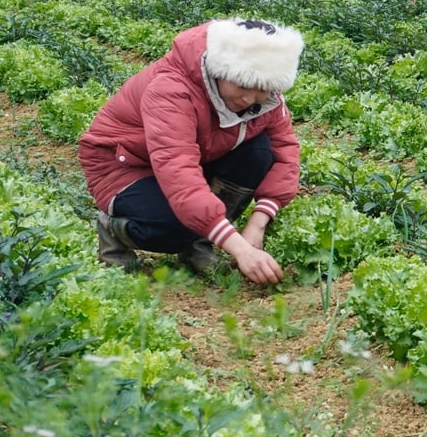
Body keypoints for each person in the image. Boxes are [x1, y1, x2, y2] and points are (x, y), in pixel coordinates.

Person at [79, 17, 303, 283]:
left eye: (261, 89)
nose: (248, 99)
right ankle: (113, 229)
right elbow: (178, 171)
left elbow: (285, 153)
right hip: (124, 165)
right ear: (220, 70)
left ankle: (199, 243)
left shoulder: (267, 101)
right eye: (242, 85)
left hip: (196, 153)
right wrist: (240, 249)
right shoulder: (171, 89)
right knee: (175, 227)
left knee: (259, 150)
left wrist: (259, 222)